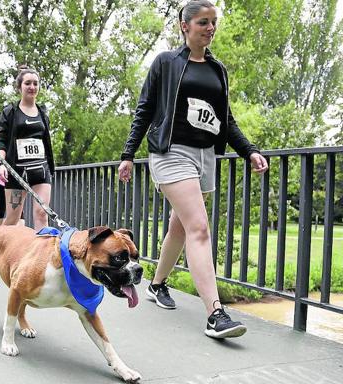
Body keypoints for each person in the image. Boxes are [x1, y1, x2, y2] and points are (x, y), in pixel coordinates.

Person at [118, 0, 269, 339]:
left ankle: (156, 285)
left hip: (205, 157)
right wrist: (128, 153)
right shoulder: (166, 63)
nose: (211, 28)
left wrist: (249, 151)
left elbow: (225, 121)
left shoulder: (218, 70)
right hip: (171, 153)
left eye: (214, 22)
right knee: (199, 227)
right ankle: (216, 314)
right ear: (184, 26)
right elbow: (145, 109)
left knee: (181, 227)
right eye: (203, 22)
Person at [0, 67, 55, 230]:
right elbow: (1, 141)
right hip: (17, 172)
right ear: (20, 87)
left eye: (35, 83)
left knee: (42, 214)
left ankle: (40, 255)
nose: (32, 87)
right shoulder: (10, 111)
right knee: (12, 219)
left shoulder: (43, 112)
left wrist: (50, 166)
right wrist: (1, 164)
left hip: (40, 170)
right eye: (27, 83)